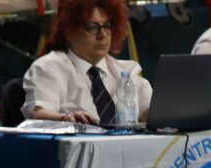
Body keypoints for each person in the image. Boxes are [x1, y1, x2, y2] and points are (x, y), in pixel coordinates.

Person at [22, 0, 152, 125]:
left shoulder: (126, 72)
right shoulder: (48, 68)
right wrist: (67, 119)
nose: (102, 35)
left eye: (107, 26)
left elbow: (151, 112)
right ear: (69, 31)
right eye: (92, 27)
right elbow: (37, 115)